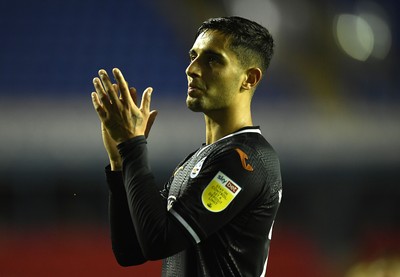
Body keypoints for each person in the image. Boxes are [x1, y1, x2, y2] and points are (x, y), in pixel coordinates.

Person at [91, 16, 282, 277]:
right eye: (193, 56)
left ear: (249, 78)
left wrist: (133, 147)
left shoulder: (246, 159)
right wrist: (120, 163)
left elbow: (160, 241)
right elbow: (131, 251)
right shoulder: (199, 160)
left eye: (212, 59)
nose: (191, 69)